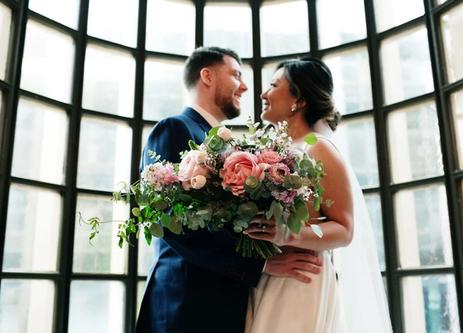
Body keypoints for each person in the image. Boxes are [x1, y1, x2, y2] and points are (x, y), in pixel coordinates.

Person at [135, 47, 324, 333]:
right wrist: (260, 266)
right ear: (207, 76)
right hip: (184, 305)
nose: (245, 86)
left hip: (231, 304)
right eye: (236, 74)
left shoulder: (232, 148)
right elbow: (169, 221)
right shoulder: (174, 129)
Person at [244, 58, 392, 332]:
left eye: (274, 85)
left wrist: (289, 235)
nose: (264, 94)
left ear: (298, 100)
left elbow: (344, 230)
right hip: (270, 275)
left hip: (300, 279)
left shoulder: (318, 149)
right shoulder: (274, 151)